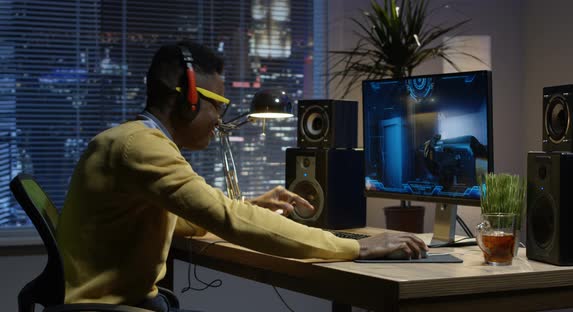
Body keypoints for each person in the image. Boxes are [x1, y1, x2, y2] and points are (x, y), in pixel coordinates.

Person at [56, 40, 428, 312]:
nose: (220, 119)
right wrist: (356, 246)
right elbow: (227, 220)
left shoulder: (128, 140)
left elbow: (185, 216)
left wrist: (251, 205)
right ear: (188, 98)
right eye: (217, 105)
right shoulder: (140, 146)